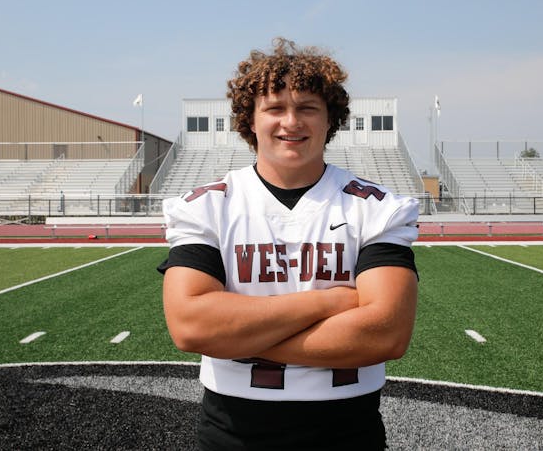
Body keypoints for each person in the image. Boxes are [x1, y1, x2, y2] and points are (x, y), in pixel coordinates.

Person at [158, 38, 419, 450]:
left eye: (308, 108)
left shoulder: (377, 208)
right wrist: (329, 303)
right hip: (232, 431)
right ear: (251, 119)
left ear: (329, 119)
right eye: (275, 108)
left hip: (346, 430)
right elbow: (192, 326)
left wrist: (237, 340)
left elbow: (385, 335)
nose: (291, 122)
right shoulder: (207, 205)